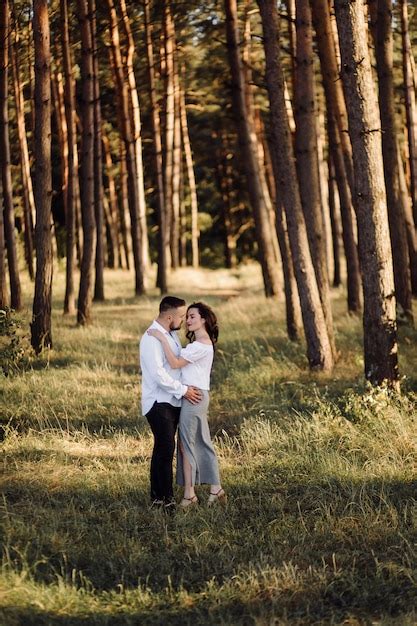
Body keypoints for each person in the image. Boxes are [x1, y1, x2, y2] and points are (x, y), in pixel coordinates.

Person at [148, 302, 226, 508]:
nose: (188, 320)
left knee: (188, 445)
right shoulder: (198, 344)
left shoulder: (201, 345)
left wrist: (161, 337)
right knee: (191, 443)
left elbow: (174, 363)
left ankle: (191, 495)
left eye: (192, 316)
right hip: (191, 395)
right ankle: (212, 489)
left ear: (204, 320)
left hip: (194, 396)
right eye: (187, 316)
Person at [139, 296, 202, 512]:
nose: (183, 320)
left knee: (166, 449)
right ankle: (163, 500)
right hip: (158, 402)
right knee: (165, 448)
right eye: (181, 316)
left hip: (172, 400)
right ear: (169, 317)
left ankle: (160, 496)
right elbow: (158, 375)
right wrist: (184, 390)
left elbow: (176, 365)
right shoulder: (151, 338)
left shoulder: (170, 335)